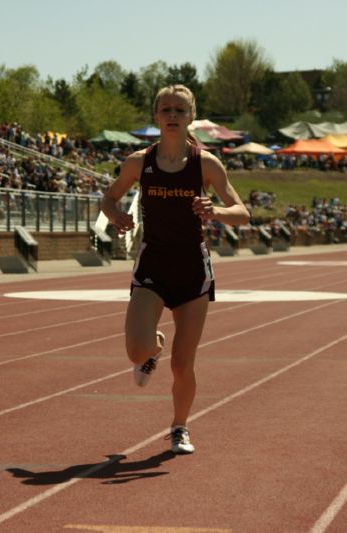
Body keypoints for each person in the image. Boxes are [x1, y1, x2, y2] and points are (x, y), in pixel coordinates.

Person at [100, 85, 250, 454]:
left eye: (179, 111)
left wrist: (216, 212)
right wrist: (115, 215)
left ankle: (179, 427)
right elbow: (109, 196)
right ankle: (153, 350)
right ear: (155, 116)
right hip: (153, 265)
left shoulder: (207, 164)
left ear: (190, 117)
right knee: (136, 350)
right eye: (165, 109)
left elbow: (243, 213)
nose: (172, 115)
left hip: (192, 270)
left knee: (183, 365)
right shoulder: (139, 162)